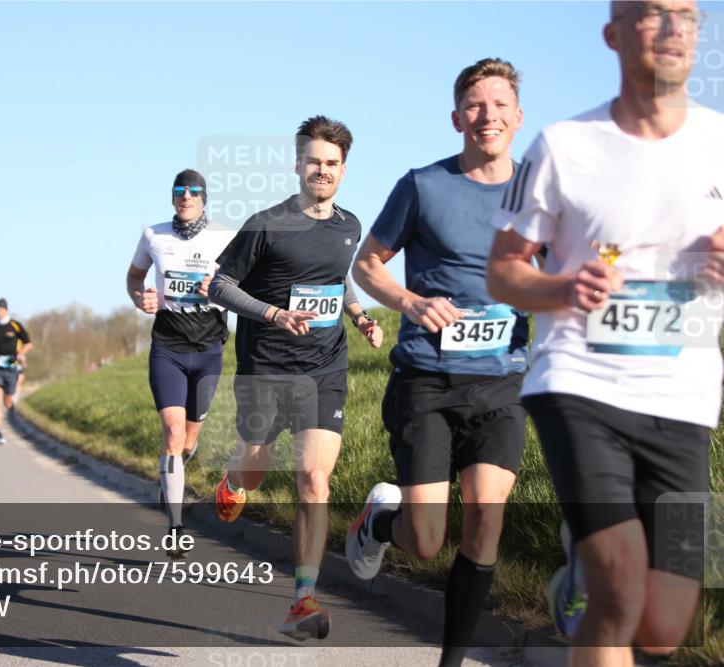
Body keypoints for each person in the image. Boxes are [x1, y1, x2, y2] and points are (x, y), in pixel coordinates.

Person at [486, 2, 722, 664]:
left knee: (666, 626)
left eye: (687, 16)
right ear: (614, 34)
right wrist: (562, 287)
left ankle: (576, 570)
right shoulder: (563, 146)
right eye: (654, 14)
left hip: (684, 397)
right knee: (619, 592)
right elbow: (503, 271)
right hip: (580, 383)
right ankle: (597, 569)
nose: (675, 29)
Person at [346, 58, 528, 667]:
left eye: (500, 105)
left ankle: (450, 662)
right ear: (457, 118)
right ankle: (377, 521)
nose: (488, 116)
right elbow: (367, 265)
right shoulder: (423, 185)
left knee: (485, 519)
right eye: (476, 105)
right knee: (425, 542)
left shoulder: (541, 193)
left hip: (502, 382)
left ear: (518, 116)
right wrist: (411, 300)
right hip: (427, 379)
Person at [208, 116, 383, 640]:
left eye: (332, 164)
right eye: (314, 162)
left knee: (313, 477)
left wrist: (360, 315)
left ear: (344, 170)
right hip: (265, 368)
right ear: (298, 164)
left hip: (324, 368)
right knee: (255, 469)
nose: (322, 171)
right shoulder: (267, 222)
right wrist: (272, 314)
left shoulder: (349, 226)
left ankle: (303, 599)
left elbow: (337, 279)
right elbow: (218, 285)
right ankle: (234, 480)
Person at [127, 169, 236, 558]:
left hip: (208, 350)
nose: (186, 197)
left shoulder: (225, 237)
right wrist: (141, 299)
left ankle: (168, 476)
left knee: (189, 440)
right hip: (168, 347)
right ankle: (175, 526)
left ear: (204, 197)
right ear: (172, 197)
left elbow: (245, 286)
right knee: (173, 434)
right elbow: (135, 277)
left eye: (193, 191)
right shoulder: (154, 235)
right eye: (179, 191)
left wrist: (220, 290)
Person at [0, 299, 32, 444]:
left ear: (6, 310)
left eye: (1, 310)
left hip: (12, 362)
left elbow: (29, 343)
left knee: (7, 401)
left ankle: (12, 407)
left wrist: (21, 354)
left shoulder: (15, 325)